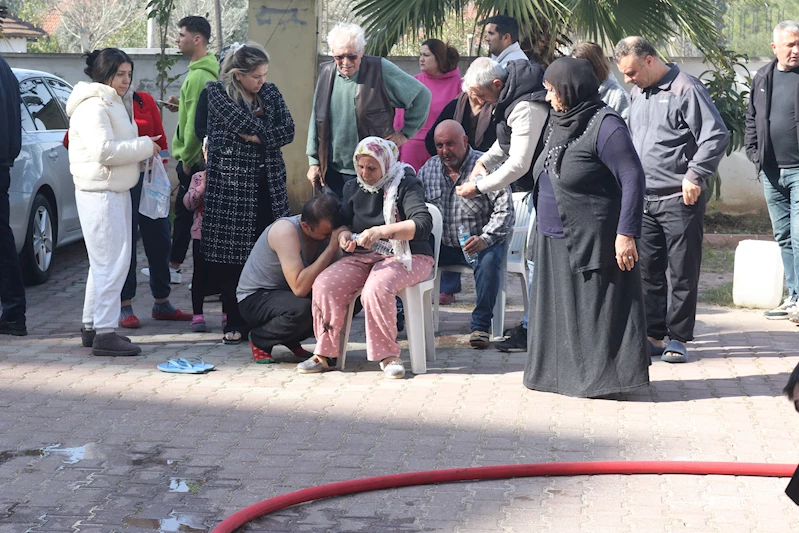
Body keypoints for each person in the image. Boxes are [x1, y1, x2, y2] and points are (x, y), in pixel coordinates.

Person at [522, 57, 649, 398]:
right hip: (554, 234)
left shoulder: (605, 125)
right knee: (560, 311)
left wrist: (627, 233)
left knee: (596, 313)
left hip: (594, 236)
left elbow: (633, 177)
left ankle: (605, 382)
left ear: (570, 89)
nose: (548, 98)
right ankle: (559, 376)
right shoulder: (560, 120)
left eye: (551, 91)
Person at [615, 36, 729, 363]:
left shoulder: (685, 89)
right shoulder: (639, 91)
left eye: (632, 72)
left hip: (679, 200)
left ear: (649, 60)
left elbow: (715, 134)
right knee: (648, 270)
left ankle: (678, 338)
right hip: (644, 200)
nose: (627, 80)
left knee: (682, 271)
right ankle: (653, 334)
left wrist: (695, 174)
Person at [297, 137, 434, 379]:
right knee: (325, 283)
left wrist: (382, 231)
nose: (365, 173)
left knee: (377, 288)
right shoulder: (353, 187)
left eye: (372, 168)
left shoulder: (406, 183)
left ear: (387, 164)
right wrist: (345, 237)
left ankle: (389, 356)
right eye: (360, 167)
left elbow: (422, 224)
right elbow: (344, 225)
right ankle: (326, 354)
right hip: (365, 256)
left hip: (409, 255)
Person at [66, 48, 161, 356]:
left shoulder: (109, 102)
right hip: (101, 191)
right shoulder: (94, 106)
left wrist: (141, 151)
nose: (126, 80)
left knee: (104, 262)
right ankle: (105, 332)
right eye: (120, 74)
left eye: (128, 74)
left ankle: (93, 326)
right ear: (104, 74)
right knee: (112, 262)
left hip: (113, 188)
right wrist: (145, 146)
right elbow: (104, 151)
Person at [456, 57, 550, 353]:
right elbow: (507, 142)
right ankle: (531, 324)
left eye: (481, 96)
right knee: (534, 259)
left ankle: (533, 328)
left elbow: (519, 163)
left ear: (497, 85)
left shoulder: (525, 106)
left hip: (546, 187)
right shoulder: (511, 98)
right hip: (539, 186)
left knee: (535, 260)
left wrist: (479, 186)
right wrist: (483, 160)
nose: (480, 104)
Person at [204, 43, 294, 345]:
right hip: (231, 189)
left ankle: (267, 319)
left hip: (269, 186)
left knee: (270, 252)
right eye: (256, 76)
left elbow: (289, 130)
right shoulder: (217, 92)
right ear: (239, 74)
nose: (261, 81)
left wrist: (258, 136)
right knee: (233, 258)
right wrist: (266, 131)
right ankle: (234, 319)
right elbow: (241, 123)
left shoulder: (270, 92)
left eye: (264, 74)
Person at [306, 22, 432, 199]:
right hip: (333, 171)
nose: (345, 63)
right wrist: (314, 162)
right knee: (335, 224)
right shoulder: (327, 72)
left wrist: (405, 134)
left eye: (352, 56)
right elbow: (317, 117)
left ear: (362, 51)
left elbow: (422, 95)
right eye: (339, 57)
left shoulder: (379, 69)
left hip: (373, 172)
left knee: (367, 225)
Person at [419, 120, 513, 348]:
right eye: (439, 145)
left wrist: (485, 238)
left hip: (479, 242)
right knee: (407, 258)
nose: (444, 151)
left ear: (465, 141)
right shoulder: (428, 169)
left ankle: (480, 326)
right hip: (443, 247)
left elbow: (505, 211)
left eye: (450, 144)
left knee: (489, 260)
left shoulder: (486, 166)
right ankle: (405, 318)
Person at [237, 195, 345, 363]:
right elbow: (299, 288)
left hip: (286, 296)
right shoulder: (285, 231)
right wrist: (331, 249)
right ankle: (261, 338)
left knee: (344, 298)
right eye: (326, 235)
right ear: (305, 226)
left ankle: (290, 338)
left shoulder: (324, 232)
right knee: (302, 309)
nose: (330, 238)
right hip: (255, 298)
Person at [159, 16, 219, 285]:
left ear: (197, 39)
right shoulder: (204, 72)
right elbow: (192, 112)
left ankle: (174, 266)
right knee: (189, 215)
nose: (177, 39)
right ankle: (178, 265)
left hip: (193, 159)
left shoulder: (198, 77)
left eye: (181, 34)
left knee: (185, 214)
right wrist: (177, 105)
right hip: (196, 157)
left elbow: (198, 125)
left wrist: (188, 158)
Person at [745, 21, 799, 321]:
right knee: (784, 235)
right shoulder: (763, 77)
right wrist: (754, 153)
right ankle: (793, 297)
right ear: (774, 47)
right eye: (790, 44)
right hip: (771, 170)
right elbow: (751, 117)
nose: (796, 50)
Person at [394, 39, 461, 171]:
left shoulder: (459, 85)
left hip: (445, 149)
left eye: (426, 55)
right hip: (412, 147)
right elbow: (399, 119)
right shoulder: (413, 82)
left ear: (439, 58)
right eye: (420, 55)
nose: (421, 59)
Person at [183, 139, 225, 332]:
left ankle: (228, 312)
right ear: (205, 154)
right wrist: (203, 186)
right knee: (199, 274)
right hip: (201, 234)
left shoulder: (228, 176)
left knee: (224, 273)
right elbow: (188, 203)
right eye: (210, 152)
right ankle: (197, 314)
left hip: (224, 234)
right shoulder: (198, 177)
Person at [0, 53, 26, 336]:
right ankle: (14, 313)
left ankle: (14, 313)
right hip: (4, 163)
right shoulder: (5, 68)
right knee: (4, 243)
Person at [424, 90, 497, 156]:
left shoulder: (496, 109)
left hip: (487, 164)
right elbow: (431, 140)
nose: (482, 93)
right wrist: (446, 160)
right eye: (478, 90)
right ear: (469, 89)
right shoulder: (454, 107)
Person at [571, 41, 630, 120]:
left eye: (579, 67)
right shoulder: (573, 92)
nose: (575, 72)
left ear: (594, 66)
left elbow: (626, 128)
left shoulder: (618, 96)